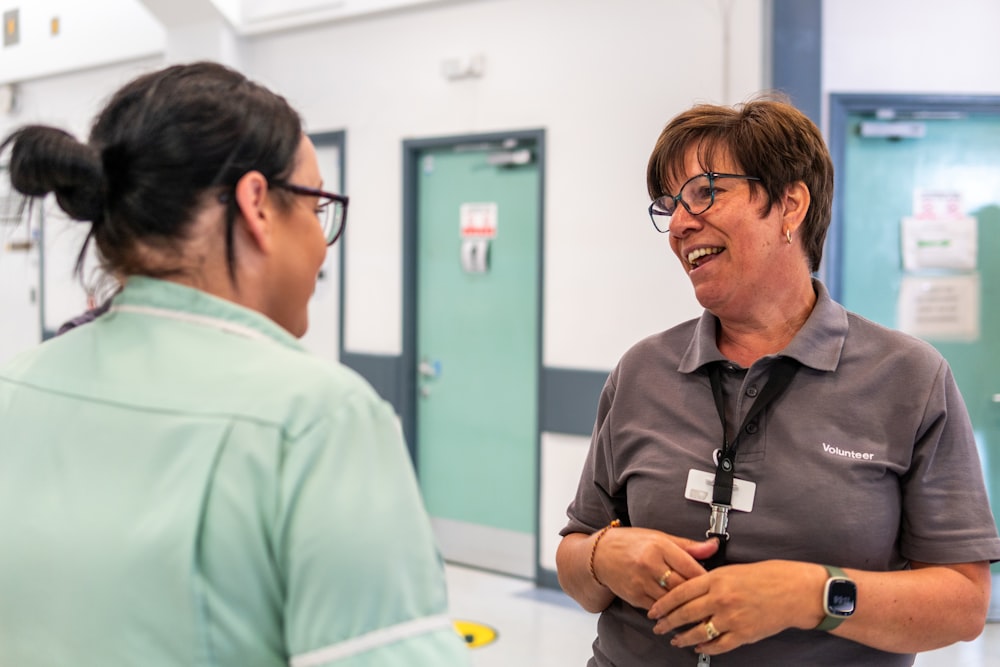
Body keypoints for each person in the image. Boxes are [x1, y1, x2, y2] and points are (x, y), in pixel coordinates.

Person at [0, 62, 471, 667]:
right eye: (316, 205)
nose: (321, 251)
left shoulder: (16, 386)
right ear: (256, 204)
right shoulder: (319, 418)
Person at [555, 96, 1000, 666]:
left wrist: (810, 596)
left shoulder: (909, 379)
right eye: (669, 205)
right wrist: (603, 556)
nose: (681, 223)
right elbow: (577, 557)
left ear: (790, 204)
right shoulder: (642, 371)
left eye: (705, 191)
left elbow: (963, 605)